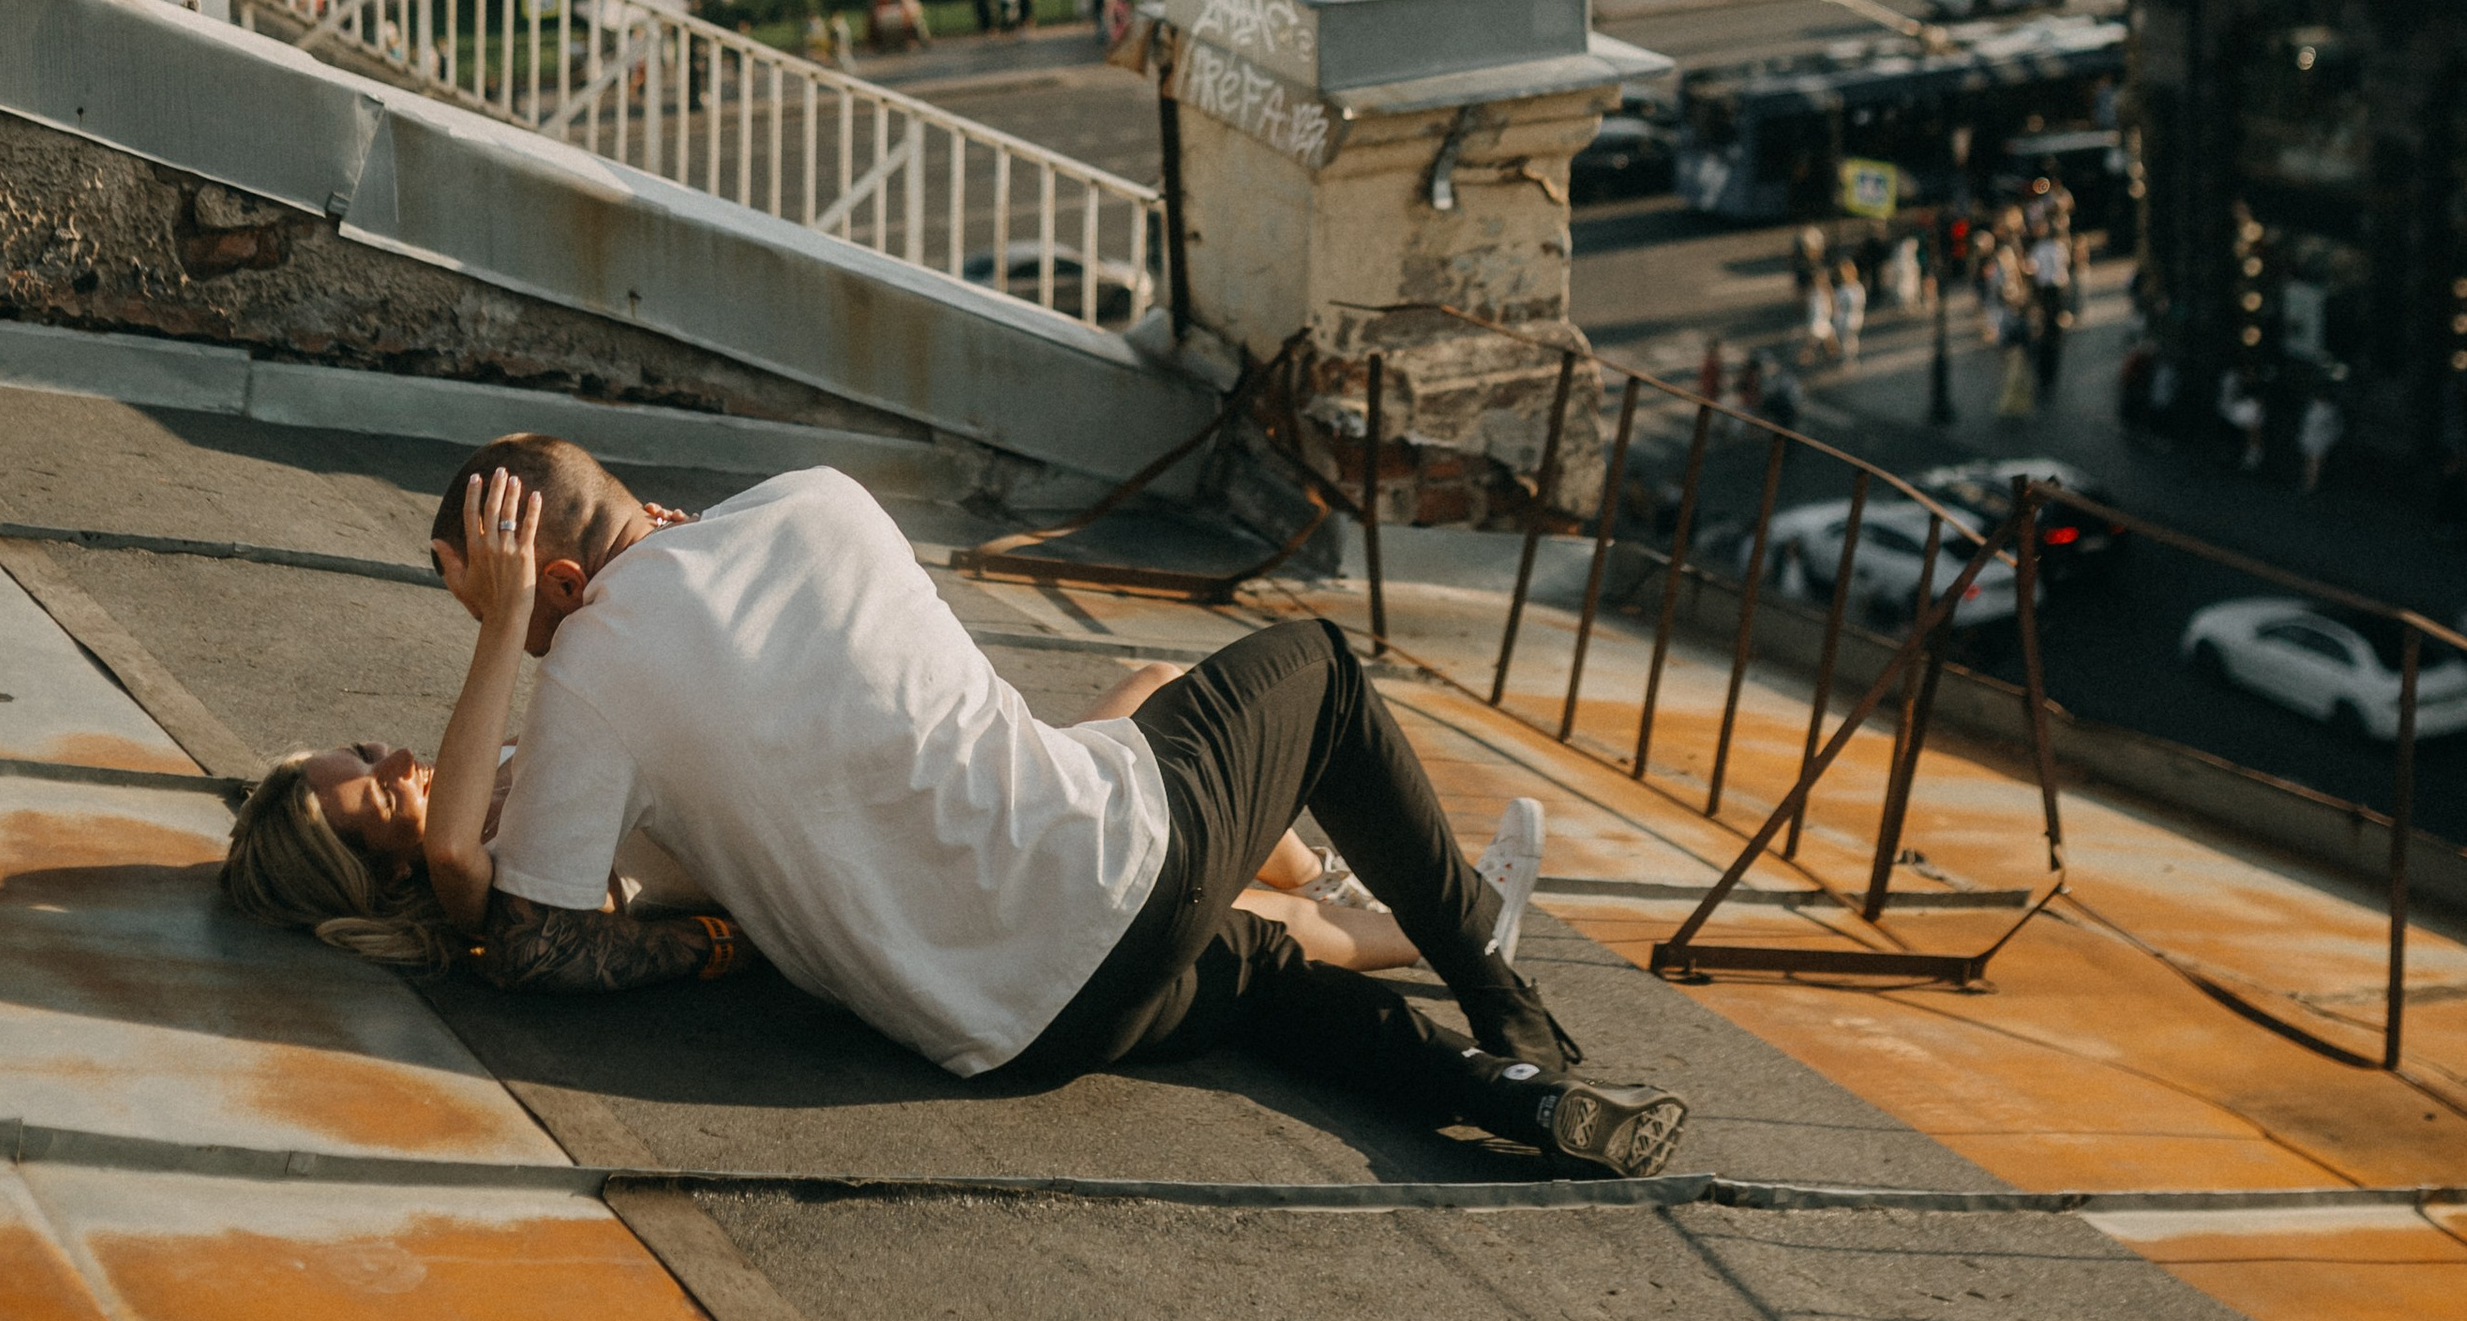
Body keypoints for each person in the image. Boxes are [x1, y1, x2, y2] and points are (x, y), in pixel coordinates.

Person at [222, 445, 1684, 1181]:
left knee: (1273, 984)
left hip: (1005, 1023)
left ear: (537, 568)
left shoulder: (591, 675)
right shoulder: (816, 497)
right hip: (1102, 871)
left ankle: (1511, 1103)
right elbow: (508, 909)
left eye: (486, 595)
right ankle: (1514, 1013)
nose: (507, 638)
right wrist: (526, 629)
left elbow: (527, 921)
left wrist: (541, 643)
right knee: (1319, 673)